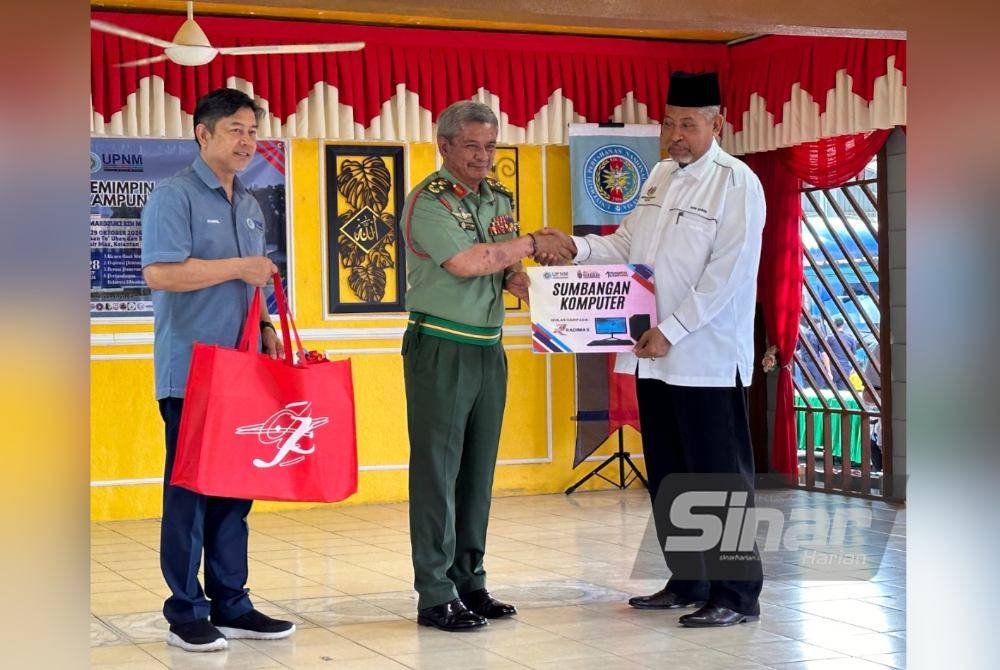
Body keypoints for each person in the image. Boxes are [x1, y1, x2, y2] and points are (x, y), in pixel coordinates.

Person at [536, 71, 766, 627]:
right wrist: (576, 247)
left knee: (718, 478)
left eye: (688, 124)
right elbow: (626, 244)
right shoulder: (660, 176)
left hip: (706, 359)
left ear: (717, 125)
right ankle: (688, 580)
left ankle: (736, 595)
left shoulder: (737, 183)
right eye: (668, 123)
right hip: (652, 356)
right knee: (670, 475)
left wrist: (674, 329)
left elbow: (728, 274)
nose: (675, 135)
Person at [400, 100, 574, 632]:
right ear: (444, 146)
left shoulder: (497, 198)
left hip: (488, 347)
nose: (482, 156)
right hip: (442, 346)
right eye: (471, 146)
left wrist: (541, 284)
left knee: (477, 472)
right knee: (438, 473)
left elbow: (501, 269)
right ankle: (435, 594)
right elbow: (466, 261)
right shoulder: (429, 201)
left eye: (490, 146)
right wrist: (532, 242)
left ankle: (469, 581)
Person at [140, 88, 295, 652]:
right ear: (202, 134)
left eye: (252, 131)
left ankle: (232, 602)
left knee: (235, 490)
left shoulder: (249, 204)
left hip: (243, 372)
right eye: (235, 130)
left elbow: (252, 283)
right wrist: (237, 267)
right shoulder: (173, 196)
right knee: (191, 494)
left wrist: (267, 327)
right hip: (192, 373)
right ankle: (186, 612)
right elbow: (161, 274)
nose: (247, 141)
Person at [826, 317, 859, 391]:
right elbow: (854, 356)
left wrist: (828, 370)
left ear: (834, 325)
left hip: (832, 368)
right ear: (843, 325)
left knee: (828, 392)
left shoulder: (829, 338)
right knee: (843, 393)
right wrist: (853, 369)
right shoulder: (850, 338)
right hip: (845, 368)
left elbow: (825, 354)